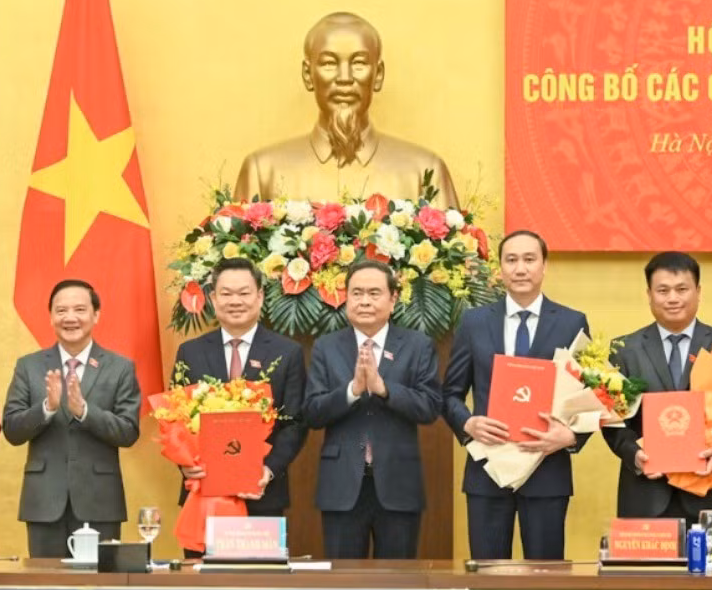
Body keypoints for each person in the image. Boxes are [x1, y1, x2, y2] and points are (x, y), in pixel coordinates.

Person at [443, 229, 591, 560]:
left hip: (547, 469)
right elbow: (450, 394)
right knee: (488, 578)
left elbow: (590, 395)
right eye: (511, 260)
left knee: (546, 581)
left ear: (544, 266)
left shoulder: (571, 322)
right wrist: (467, 424)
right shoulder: (474, 322)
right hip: (488, 470)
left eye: (529, 259)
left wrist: (570, 436)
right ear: (500, 268)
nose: (520, 268)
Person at [233, 12, 459, 207]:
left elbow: (457, 255)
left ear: (377, 74)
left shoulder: (424, 172)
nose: (344, 78)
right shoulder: (262, 172)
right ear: (307, 74)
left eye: (359, 63)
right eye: (329, 63)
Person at [305, 258, 442, 559]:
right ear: (345, 298)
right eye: (356, 293)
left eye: (374, 293)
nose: (364, 301)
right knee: (342, 585)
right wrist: (352, 391)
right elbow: (312, 412)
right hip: (342, 484)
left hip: (399, 483)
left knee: (398, 584)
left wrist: (384, 388)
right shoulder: (326, 347)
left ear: (393, 299)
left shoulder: (418, 345)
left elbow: (431, 406)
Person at [603, 252, 712, 553]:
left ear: (699, 292)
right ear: (649, 295)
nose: (672, 298)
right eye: (663, 290)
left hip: (709, 494)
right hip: (646, 493)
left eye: (682, 289)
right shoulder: (625, 349)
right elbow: (612, 420)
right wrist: (633, 454)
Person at [1, 279, 142, 557]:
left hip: (100, 500)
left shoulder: (120, 367)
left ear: (96, 315)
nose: (70, 318)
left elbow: (128, 431)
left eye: (79, 309)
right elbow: (12, 430)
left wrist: (85, 412)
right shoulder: (29, 366)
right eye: (61, 310)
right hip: (43, 501)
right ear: (51, 316)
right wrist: (46, 408)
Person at [169, 258, 308, 533]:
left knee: (256, 576)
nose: (236, 301)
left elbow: (295, 422)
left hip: (262, 495)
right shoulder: (190, 352)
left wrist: (267, 470)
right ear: (213, 298)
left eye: (244, 293)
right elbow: (176, 419)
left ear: (259, 296)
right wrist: (185, 466)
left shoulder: (287, 353)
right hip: (203, 494)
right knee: (201, 576)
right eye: (226, 293)